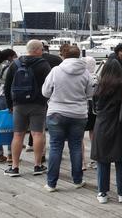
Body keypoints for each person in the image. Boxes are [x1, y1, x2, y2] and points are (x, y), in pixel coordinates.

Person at [41, 45, 95, 192]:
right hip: (78, 114)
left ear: (64, 55)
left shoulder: (56, 70)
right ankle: (77, 180)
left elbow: (45, 92)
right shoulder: (85, 72)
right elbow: (90, 93)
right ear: (78, 56)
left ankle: (51, 183)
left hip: (56, 112)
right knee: (76, 146)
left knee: (56, 147)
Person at [91, 59, 122, 204]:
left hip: (102, 126)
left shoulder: (98, 86)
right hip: (121, 126)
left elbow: (94, 108)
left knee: (102, 160)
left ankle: (102, 193)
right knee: (121, 160)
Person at [3, 39, 51, 177]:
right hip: (38, 104)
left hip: (18, 104)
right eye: (41, 49)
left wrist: (9, 105)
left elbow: (7, 87)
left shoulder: (15, 64)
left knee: (18, 135)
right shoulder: (43, 64)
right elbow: (49, 85)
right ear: (36, 50)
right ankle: (37, 165)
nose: (43, 51)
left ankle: (15, 167)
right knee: (37, 134)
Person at [83, 56, 99, 170]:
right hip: (96, 108)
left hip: (84, 107)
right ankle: (95, 159)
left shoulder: (83, 77)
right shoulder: (98, 77)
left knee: (79, 136)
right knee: (94, 133)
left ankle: (82, 162)